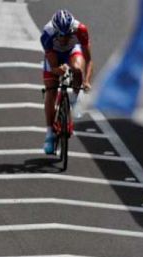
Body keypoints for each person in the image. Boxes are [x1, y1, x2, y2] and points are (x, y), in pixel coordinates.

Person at [40, 9, 94, 154]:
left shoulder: (81, 30)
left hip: (72, 51)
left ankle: (75, 98)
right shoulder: (47, 34)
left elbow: (88, 59)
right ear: (56, 31)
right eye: (61, 35)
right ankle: (49, 134)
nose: (64, 38)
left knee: (77, 68)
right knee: (51, 90)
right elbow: (53, 67)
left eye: (68, 34)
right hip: (54, 55)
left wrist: (86, 81)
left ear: (72, 30)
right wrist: (59, 69)